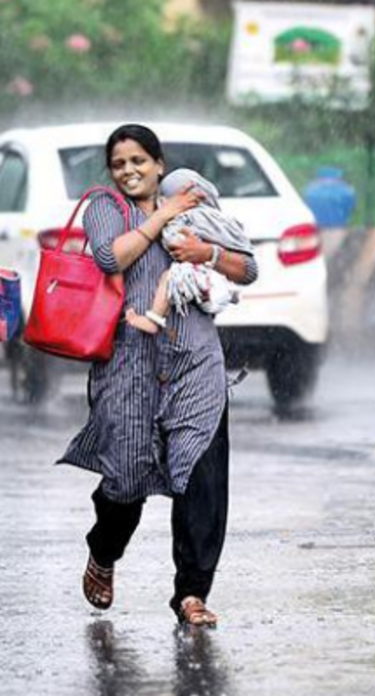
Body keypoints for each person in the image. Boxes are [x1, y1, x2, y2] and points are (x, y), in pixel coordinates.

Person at [59, 123, 258, 627]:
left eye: (139, 161)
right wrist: (162, 218)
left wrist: (206, 253)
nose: (129, 171)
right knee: (125, 480)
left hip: (196, 361)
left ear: (159, 164)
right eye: (120, 163)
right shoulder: (109, 208)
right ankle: (103, 551)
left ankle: (192, 594)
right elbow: (109, 257)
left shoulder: (192, 202)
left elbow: (247, 268)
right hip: (129, 363)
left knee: (201, 478)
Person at [125, 167, 252, 334]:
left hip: (199, 333)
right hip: (152, 347)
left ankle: (154, 319)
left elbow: (249, 269)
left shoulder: (194, 220)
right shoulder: (216, 220)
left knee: (168, 278)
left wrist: (208, 253)